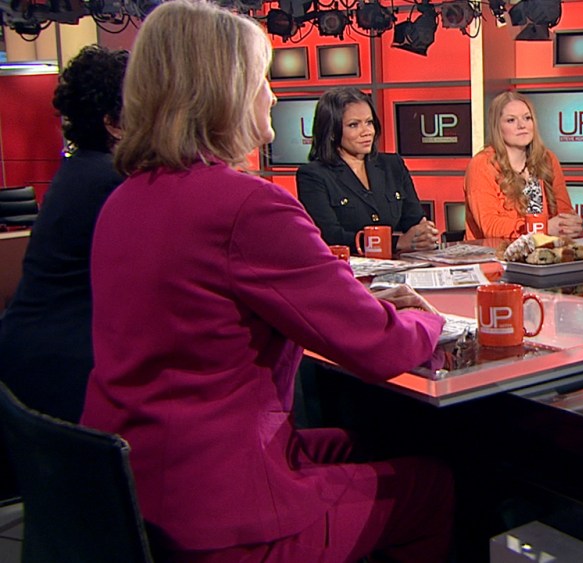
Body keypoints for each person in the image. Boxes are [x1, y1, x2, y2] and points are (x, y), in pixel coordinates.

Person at [79, 1, 452, 561]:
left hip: (130, 489)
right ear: (223, 92)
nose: (273, 97)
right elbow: (380, 348)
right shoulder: (247, 205)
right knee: (432, 486)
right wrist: (430, 320)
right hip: (219, 512)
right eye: (261, 80)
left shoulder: (122, 201)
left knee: (363, 440)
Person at [0, 45, 128, 423]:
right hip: (61, 366)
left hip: (29, 354)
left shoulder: (80, 171)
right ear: (113, 123)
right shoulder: (110, 181)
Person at [297, 87, 439, 253]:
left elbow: (414, 220)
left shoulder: (392, 165)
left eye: (369, 122)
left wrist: (424, 235)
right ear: (332, 132)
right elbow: (330, 236)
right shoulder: (313, 175)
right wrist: (395, 243)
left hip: (399, 264)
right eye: (354, 125)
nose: (367, 132)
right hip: (347, 265)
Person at [464, 90, 583, 240]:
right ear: (497, 127)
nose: (522, 125)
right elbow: (490, 227)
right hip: (496, 251)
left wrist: (570, 225)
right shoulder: (482, 165)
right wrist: (543, 228)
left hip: (544, 250)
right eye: (511, 120)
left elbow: (564, 212)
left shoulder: (547, 159)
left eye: (527, 118)